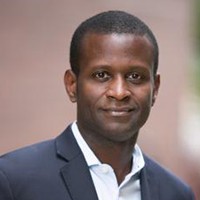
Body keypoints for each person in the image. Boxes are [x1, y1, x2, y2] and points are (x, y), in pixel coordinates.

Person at [0, 10, 195, 200]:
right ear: (72, 85)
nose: (119, 92)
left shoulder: (176, 193)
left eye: (135, 76)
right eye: (101, 75)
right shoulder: (12, 180)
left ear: (156, 88)